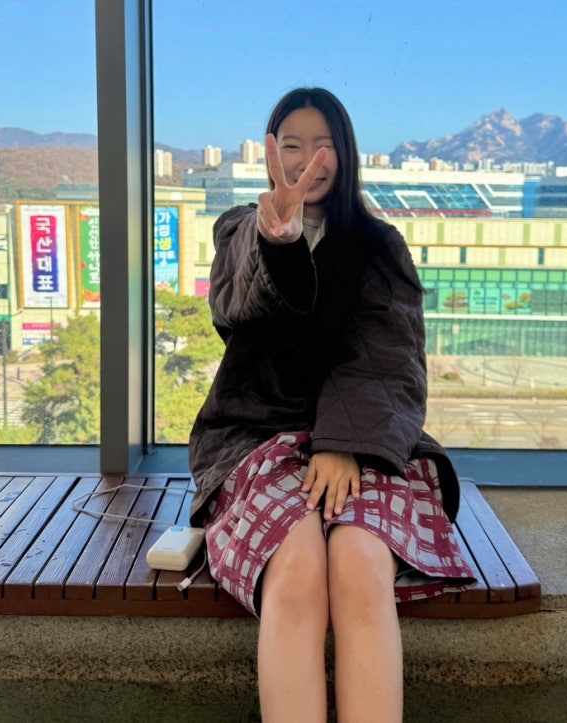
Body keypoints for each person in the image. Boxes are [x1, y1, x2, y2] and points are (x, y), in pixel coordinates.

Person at [189, 87, 475, 723]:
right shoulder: (239, 228)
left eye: (323, 146)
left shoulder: (378, 244)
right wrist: (277, 240)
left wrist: (344, 443)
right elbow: (234, 306)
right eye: (291, 146)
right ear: (271, 155)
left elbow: (387, 354)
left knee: (358, 561)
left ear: (345, 155)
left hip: (364, 441)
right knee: (294, 564)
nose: (307, 161)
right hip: (255, 435)